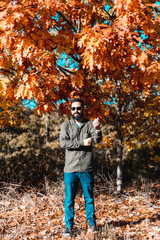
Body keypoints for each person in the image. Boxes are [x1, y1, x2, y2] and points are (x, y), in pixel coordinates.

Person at [59, 98, 102, 237]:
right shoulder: (66, 125)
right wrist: (83, 142)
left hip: (86, 168)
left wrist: (97, 129)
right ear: (70, 110)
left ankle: (92, 224)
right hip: (70, 169)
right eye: (73, 109)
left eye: (78, 108)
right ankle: (69, 227)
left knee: (89, 198)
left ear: (83, 109)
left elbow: (97, 140)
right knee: (69, 199)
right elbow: (64, 143)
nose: (76, 111)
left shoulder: (89, 124)